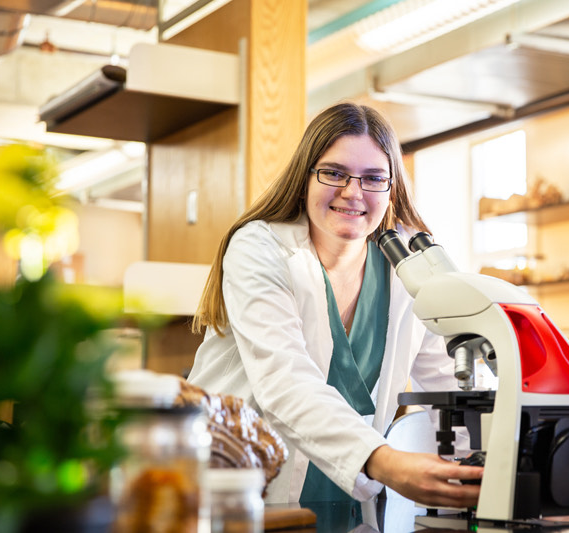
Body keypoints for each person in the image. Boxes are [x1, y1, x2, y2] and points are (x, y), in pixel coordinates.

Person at [187, 101, 483, 508]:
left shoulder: (408, 270)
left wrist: (486, 465)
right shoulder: (260, 248)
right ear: (305, 175)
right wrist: (386, 463)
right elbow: (285, 381)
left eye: (373, 177)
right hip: (243, 490)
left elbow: (452, 381)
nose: (352, 192)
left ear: (391, 187)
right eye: (334, 173)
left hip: (346, 488)